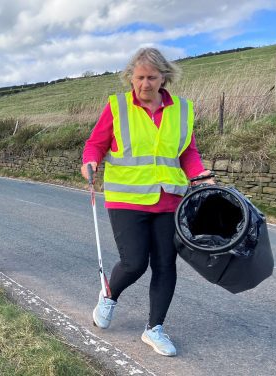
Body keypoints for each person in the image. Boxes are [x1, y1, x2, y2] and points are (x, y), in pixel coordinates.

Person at [81, 47, 215, 357]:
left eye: (151, 77)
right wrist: (90, 162)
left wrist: (200, 175)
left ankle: (154, 329)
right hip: (126, 199)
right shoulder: (117, 107)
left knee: (166, 265)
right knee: (135, 262)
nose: (144, 84)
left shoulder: (182, 109)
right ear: (131, 77)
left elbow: (187, 153)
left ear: (164, 77)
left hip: (169, 199)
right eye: (139, 77)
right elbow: (96, 144)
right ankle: (109, 296)